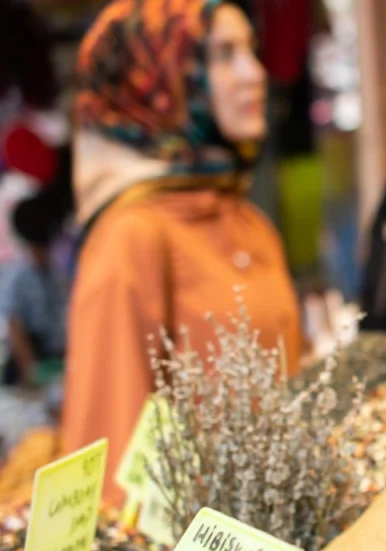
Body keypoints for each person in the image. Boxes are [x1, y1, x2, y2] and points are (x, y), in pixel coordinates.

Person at [62, 0, 305, 504]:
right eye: (222, 55)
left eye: (251, 51)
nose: (253, 74)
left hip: (277, 550)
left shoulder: (250, 223)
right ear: (152, 82)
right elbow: (111, 455)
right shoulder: (134, 236)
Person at [1, 194, 66, 387]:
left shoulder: (56, 270)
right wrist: (31, 372)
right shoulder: (19, 273)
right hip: (31, 360)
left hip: (56, 357)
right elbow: (15, 326)